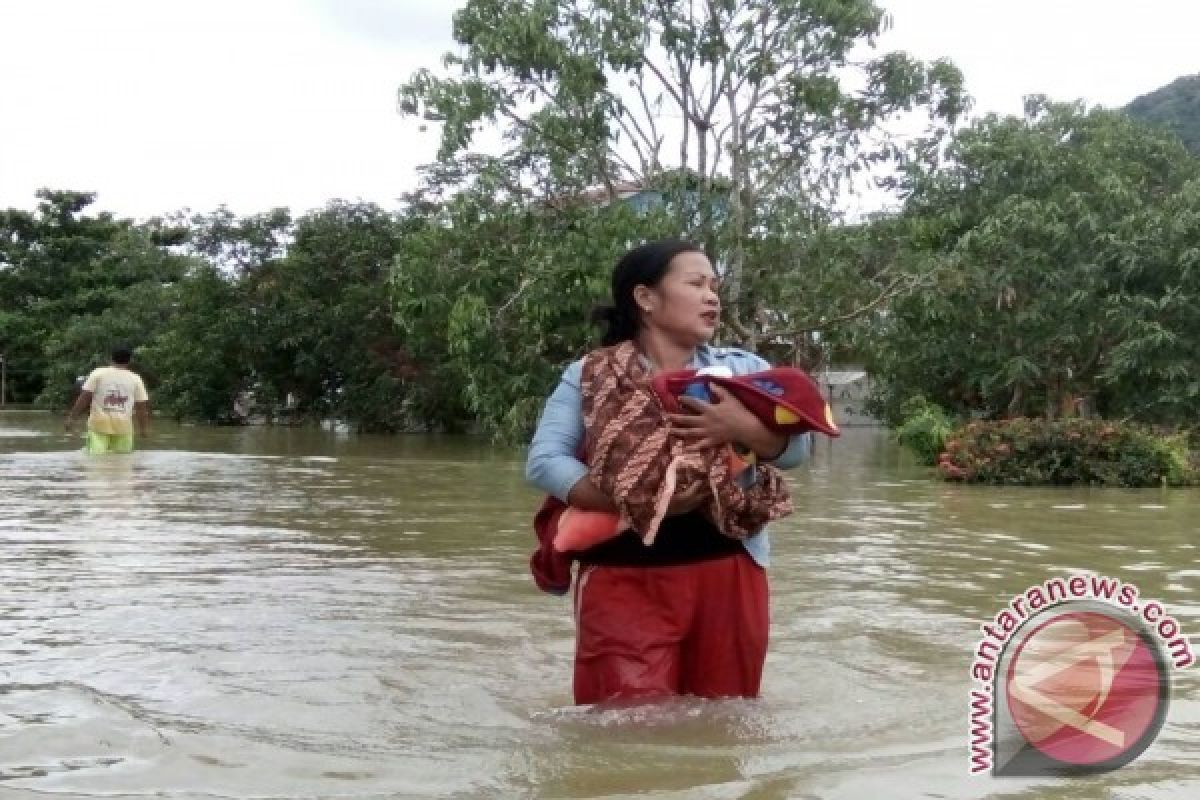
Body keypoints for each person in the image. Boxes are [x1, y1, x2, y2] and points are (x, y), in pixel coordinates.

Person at [525, 239, 812, 705]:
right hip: (624, 575)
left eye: (714, 286)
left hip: (729, 571)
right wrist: (638, 497)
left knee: (726, 721)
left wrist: (739, 426)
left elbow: (797, 452)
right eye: (696, 283)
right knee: (625, 728)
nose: (712, 296)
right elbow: (544, 461)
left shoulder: (744, 371)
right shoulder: (590, 374)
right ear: (646, 299)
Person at [64, 346, 151, 454]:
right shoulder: (136, 379)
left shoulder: (98, 373)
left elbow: (84, 397)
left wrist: (72, 418)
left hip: (98, 425)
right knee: (122, 463)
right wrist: (143, 429)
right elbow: (141, 407)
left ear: (110, 358)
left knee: (96, 460)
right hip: (123, 427)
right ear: (130, 360)